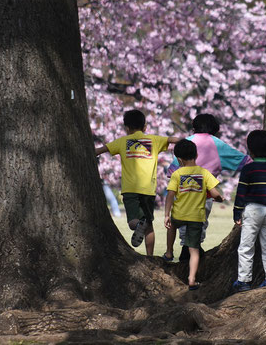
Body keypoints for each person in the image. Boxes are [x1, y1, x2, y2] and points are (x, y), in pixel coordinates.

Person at [167, 113, 251, 260]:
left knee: (184, 229)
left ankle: (182, 254)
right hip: (204, 196)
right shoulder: (217, 144)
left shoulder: (187, 142)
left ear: (194, 127)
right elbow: (244, 162)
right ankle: (190, 256)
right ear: (215, 128)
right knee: (198, 228)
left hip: (182, 195)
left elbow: (173, 171)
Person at [95, 109, 178, 256]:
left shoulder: (122, 141)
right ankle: (150, 256)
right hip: (148, 190)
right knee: (149, 226)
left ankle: (139, 224)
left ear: (127, 128)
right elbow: (173, 140)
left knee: (133, 221)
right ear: (145, 127)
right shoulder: (154, 140)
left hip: (130, 189)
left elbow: (99, 150)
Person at [232, 130, 266, 292]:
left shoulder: (248, 170)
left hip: (252, 210)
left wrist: (237, 213)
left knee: (246, 246)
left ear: (250, 150)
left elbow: (241, 193)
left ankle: (243, 280)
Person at [164, 139, 223, 290]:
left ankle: (169, 252)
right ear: (196, 155)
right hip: (196, 218)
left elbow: (170, 195)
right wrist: (219, 198)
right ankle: (191, 279)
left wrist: (166, 214)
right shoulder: (204, 173)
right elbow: (215, 193)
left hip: (179, 214)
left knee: (172, 226)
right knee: (194, 249)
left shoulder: (177, 174)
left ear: (179, 159)